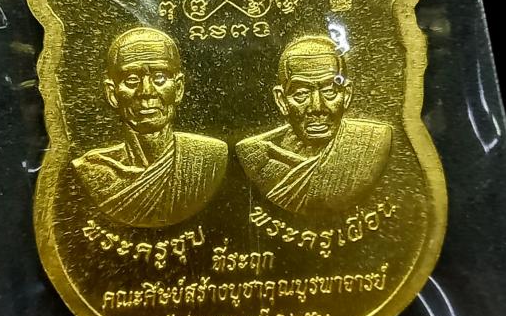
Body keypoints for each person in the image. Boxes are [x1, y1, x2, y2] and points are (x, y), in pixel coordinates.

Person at [73, 26, 227, 227]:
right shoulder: (93, 170)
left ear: (178, 88)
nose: (146, 91)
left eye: (159, 78)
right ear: (112, 93)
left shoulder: (207, 158)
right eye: (131, 80)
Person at [236, 35, 391, 216]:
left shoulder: (372, 143)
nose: (317, 107)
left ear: (347, 95)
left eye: (329, 91)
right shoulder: (257, 155)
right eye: (301, 93)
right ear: (282, 101)